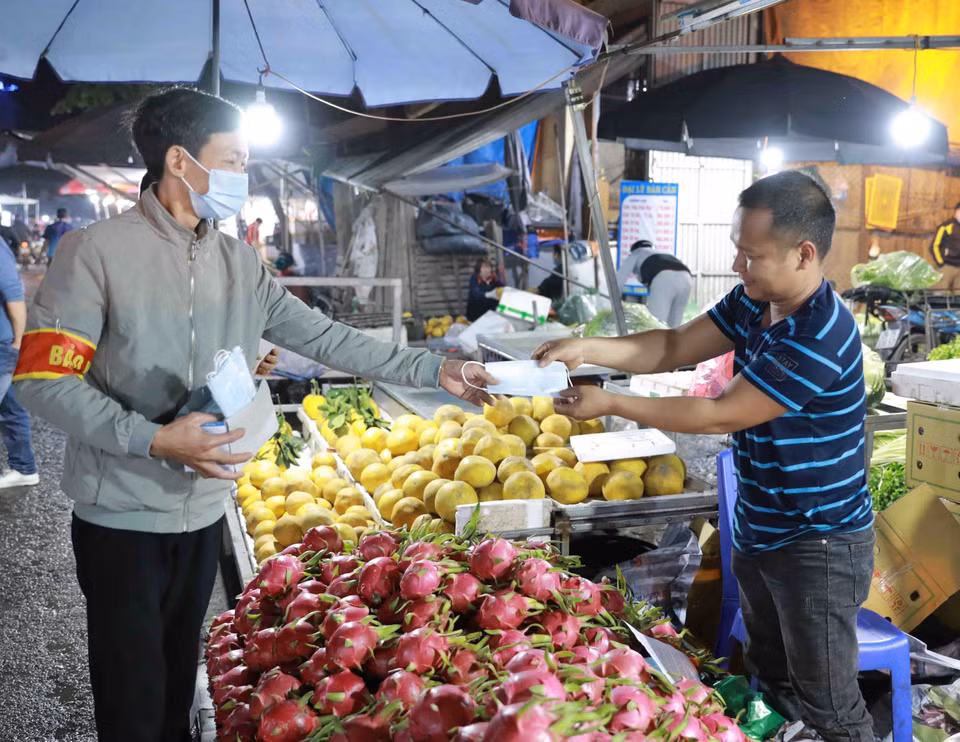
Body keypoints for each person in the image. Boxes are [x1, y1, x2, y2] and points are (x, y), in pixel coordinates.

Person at [14, 87, 495, 742]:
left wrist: (433, 368)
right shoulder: (94, 253)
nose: (244, 173)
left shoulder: (239, 261)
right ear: (181, 162)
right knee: (132, 703)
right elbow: (43, 380)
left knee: (177, 694)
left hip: (206, 510)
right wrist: (154, 440)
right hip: (122, 518)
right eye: (235, 159)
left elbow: (326, 338)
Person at [535, 171, 874, 742]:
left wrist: (611, 400)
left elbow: (720, 412)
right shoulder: (753, 302)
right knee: (772, 682)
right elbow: (672, 345)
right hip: (763, 527)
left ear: (804, 254)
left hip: (818, 543)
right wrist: (585, 347)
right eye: (737, 252)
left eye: (751, 255)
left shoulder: (819, 334)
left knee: (831, 707)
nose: (738, 268)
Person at [0, 233, 38, 489]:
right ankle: (24, 467)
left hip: (2, 345)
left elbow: (13, 293)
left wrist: (18, 341)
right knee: (11, 408)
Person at [616, 239, 692, 327]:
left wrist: (614, 303)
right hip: (686, 278)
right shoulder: (664, 254)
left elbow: (619, 279)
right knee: (675, 326)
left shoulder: (636, 253)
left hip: (664, 278)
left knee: (655, 323)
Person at [930, 201, 960, 288]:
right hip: (947, 266)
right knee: (940, 293)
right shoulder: (946, 226)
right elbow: (935, 246)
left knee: (958, 296)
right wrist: (941, 263)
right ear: (957, 211)